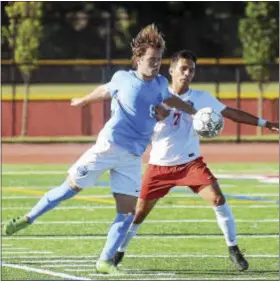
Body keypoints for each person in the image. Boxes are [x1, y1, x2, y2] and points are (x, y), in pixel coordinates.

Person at [3, 26, 196, 275]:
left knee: (127, 213)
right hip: (107, 147)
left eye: (159, 60)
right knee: (67, 190)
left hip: (132, 157)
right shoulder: (123, 78)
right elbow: (104, 90)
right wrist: (84, 100)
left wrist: (188, 109)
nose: (156, 64)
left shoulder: (160, 83)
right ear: (138, 59)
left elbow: (167, 100)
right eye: (151, 60)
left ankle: (104, 261)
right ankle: (28, 218)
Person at [112, 50, 279, 272]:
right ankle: (118, 252)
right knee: (138, 213)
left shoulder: (202, 98)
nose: (188, 73)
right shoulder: (154, 96)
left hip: (191, 164)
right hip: (159, 166)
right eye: (183, 68)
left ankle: (233, 249)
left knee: (218, 199)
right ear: (171, 70)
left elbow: (231, 113)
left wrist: (265, 123)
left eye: (191, 69)